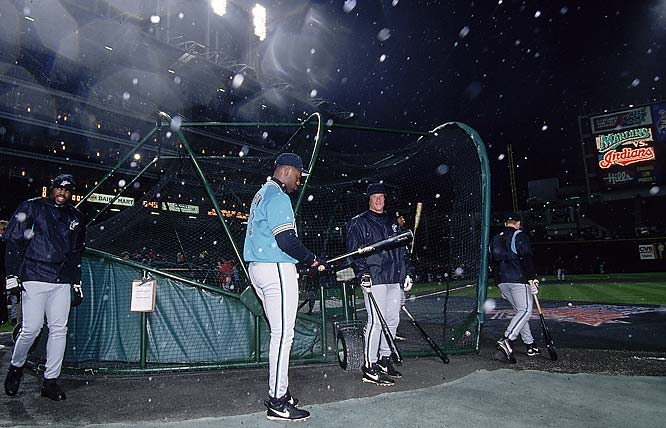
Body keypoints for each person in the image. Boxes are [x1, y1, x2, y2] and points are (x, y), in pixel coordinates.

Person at [243, 153, 325, 422]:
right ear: (288, 171)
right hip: (274, 267)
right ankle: (277, 401)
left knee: (279, 334)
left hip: (258, 267)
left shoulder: (261, 193)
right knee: (283, 335)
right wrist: (312, 259)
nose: (299, 181)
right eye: (298, 175)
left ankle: (281, 392)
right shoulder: (279, 196)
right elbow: (287, 241)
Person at [4, 174, 86, 400]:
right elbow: (13, 241)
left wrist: (76, 281)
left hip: (61, 279)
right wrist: (11, 274)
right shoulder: (31, 207)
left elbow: (76, 253)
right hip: (34, 275)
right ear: (51, 188)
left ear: (72, 193)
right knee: (31, 328)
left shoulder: (76, 216)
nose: (63, 192)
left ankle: (51, 381)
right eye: (59, 187)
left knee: (59, 329)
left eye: (68, 190)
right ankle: (16, 366)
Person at [346, 183, 413, 386]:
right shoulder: (359, 222)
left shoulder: (393, 222)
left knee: (392, 320)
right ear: (369, 199)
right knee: (376, 321)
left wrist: (408, 272)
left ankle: (384, 359)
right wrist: (362, 273)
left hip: (394, 277)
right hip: (375, 277)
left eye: (381, 197)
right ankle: (369, 366)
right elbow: (354, 251)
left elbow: (402, 249)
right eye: (375, 197)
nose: (378, 200)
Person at [489, 212, 541, 363]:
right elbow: (526, 256)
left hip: (502, 281)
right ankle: (508, 339)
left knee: (520, 312)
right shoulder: (519, 235)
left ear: (506, 223)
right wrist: (533, 278)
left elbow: (492, 262)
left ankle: (530, 345)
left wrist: (499, 285)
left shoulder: (495, 238)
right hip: (518, 278)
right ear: (517, 223)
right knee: (525, 311)